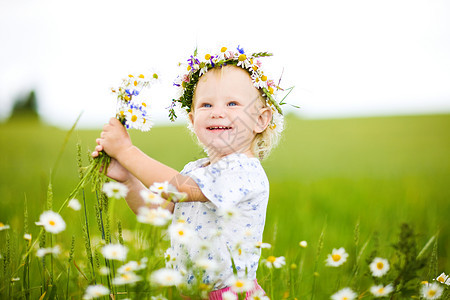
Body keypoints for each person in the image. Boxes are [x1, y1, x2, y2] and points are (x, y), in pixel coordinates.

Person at [92, 46, 286, 299]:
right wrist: (128, 179)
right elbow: (156, 212)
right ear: (193, 120)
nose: (218, 111)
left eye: (232, 103)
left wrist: (126, 151)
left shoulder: (244, 169)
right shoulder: (195, 170)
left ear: (261, 120)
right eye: (206, 104)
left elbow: (178, 190)